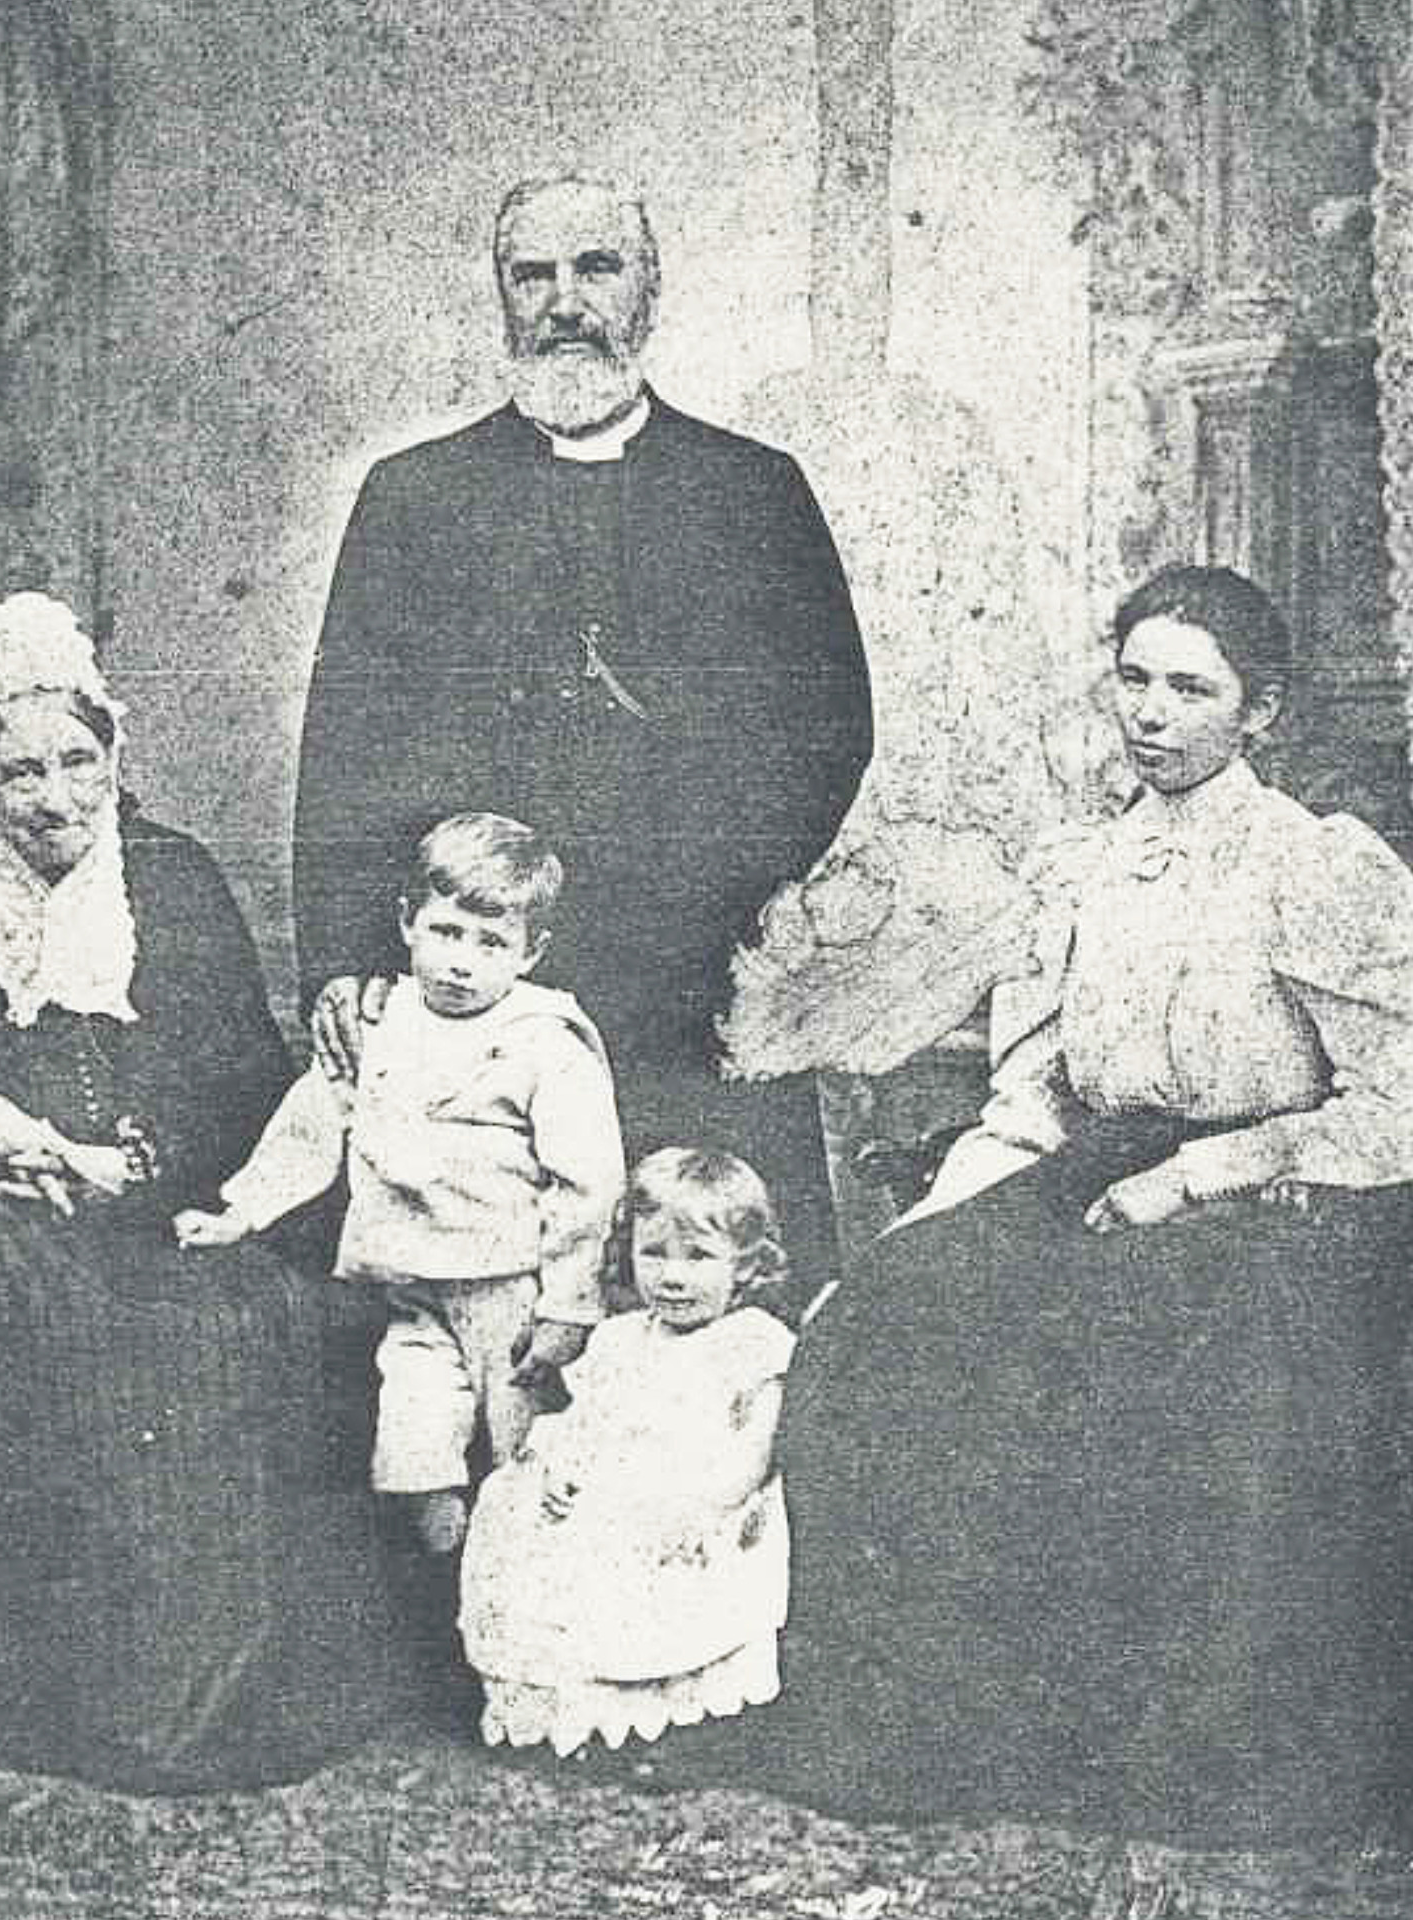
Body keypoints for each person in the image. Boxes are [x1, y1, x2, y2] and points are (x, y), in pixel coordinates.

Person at [772, 565, 1413, 1845]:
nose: (1153, 715)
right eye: (1135, 678)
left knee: (1151, 1338)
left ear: (1261, 715)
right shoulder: (1076, 868)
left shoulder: (1315, 867)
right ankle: (954, 1730)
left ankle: (1155, 1749)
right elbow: (1030, 1097)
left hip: (1285, 1188)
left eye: (1193, 689)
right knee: (890, 1319)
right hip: (1097, 1160)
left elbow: (1395, 1104)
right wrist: (928, 1234)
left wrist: (1197, 1175)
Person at [294, 173, 873, 1314]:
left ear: (646, 289)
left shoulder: (752, 492)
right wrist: (349, 959)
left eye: (595, 269)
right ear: (501, 295)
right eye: (534, 274)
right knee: (468, 1334)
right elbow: (346, 746)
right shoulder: (415, 497)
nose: (565, 302)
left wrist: (711, 891)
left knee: (705, 1322)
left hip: (688, 978)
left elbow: (827, 727)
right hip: (481, 984)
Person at [0, 592, 406, 1792]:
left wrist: (133, 1162)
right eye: (22, 775)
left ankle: (207, 1688)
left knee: (225, 1318)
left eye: (79, 761)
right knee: (66, 1322)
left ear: (116, 758)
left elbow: (237, 1071)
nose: (57, 799)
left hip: (154, 1187)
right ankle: (66, 1688)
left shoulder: (170, 878)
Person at [177, 811, 625, 1556]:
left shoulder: (545, 1040)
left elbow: (588, 1183)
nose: (461, 963)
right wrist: (241, 1212)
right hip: (411, 1284)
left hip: (505, 1284)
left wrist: (569, 1303)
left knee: (528, 1437)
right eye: (447, 932)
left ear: (531, 952)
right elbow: (313, 1124)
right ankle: (443, 1546)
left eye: (491, 944)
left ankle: (534, 1563)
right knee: (414, 1430)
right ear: (408, 921)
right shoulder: (383, 1019)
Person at [459, 1148, 796, 1757]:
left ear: (744, 1267)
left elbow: (755, 1451)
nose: (672, 1276)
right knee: (511, 1502)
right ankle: (568, 1710)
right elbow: (586, 1421)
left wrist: (701, 1507)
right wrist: (561, 1466)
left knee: (625, 1540)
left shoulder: (749, 1345)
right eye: (654, 1253)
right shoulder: (619, 1341)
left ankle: (656, 1720)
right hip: (613, 1486)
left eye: (698, 1257)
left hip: (695, 1496)